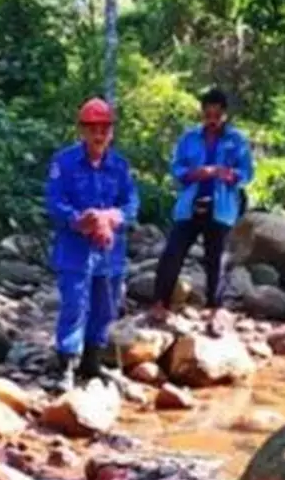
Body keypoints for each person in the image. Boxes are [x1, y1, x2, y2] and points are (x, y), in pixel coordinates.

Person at [45, 97, 139, 392]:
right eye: (92, 128)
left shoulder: (119, 166)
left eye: (104, 129)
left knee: (105, 306)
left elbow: (131, 202)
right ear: (82, 130)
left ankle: (92, 360)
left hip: (110, 250)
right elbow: (54, 201)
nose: (99, 135)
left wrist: (113, 217)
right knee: (74, 304)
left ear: (111, 132)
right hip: (75, 248)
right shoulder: (64, 162)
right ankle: (66, 365)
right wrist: (80, 220)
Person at [150, 88, 254, 334]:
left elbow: (247, 173)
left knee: (216, 258)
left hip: (221, 207)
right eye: (208, 114)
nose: (212, 120)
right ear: (202, 113)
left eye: (217, 115)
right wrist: (195, 173)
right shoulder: (189, 138)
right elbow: (176, 168)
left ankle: (215, 308)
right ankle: (159, 303)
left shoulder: (236, 140)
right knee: (173, 253)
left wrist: (228, 174)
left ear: (225, 114)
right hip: (190, 204)